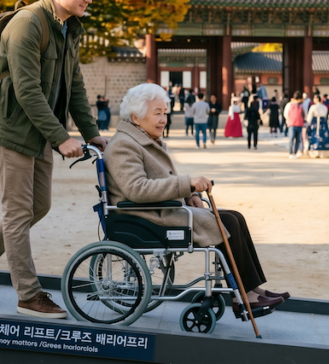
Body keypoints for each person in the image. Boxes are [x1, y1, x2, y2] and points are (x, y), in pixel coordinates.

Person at [0, 0, 106, 320]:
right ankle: (29, 294)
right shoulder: (27, 24)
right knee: (19, 213)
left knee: (39, 206)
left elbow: (75, 85)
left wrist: (92, 134)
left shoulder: (70, 27)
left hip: (38, 132)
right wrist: (60, 137)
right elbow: (26, 90)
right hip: (10, 130)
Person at [104, 84, 288, 311]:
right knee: (227, 221)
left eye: (165, 112)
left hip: (160, 209)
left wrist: (190, 192)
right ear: (136, 117)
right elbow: (136, 189)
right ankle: (245, 293)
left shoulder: (140, 139)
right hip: (145, 216)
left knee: (235, 216)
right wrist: (186, 184)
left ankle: (251, 288)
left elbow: (160, 178)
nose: (164, 119)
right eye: (158, 113)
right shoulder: (124, 144)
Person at [284, 92, 305, 159]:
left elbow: (286, 114)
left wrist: (288, 120)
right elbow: (304, 115)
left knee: (292, 139)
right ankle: (293, 153)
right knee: (296, 140)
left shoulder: (290, 105)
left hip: (292, 124)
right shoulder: (298, 105)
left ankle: (292, 153)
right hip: (297, 124)